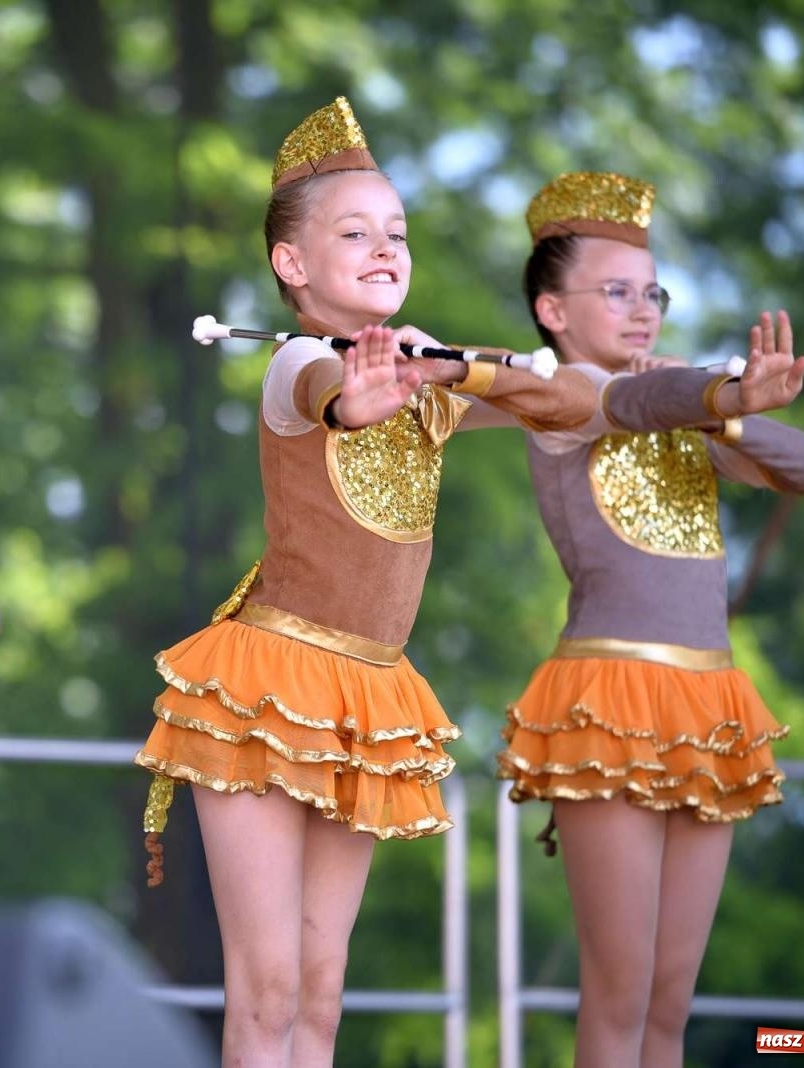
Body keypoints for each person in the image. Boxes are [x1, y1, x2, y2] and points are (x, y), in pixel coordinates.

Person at [134, 98, 597, 1067]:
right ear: (291, 266)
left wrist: (459, 369)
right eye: (354, 232)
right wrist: (363, 395)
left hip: (365, 694)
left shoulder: (426, 383)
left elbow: (564, 399)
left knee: (322, 986)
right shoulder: (297, 360)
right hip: (265, 689)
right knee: (264, 985)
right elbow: (327, 397)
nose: (385, 247)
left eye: (397, 232)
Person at [494, 171, 804, 1068]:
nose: (642, 309)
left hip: (706, 705)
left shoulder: (690, 413)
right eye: (616, 292)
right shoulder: (558, 395)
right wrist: (714, 393)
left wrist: (727, 415)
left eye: (653, 292)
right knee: (618, 990)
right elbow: (631, 402)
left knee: (668, 1000)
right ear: (552, 309)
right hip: (608, 700)